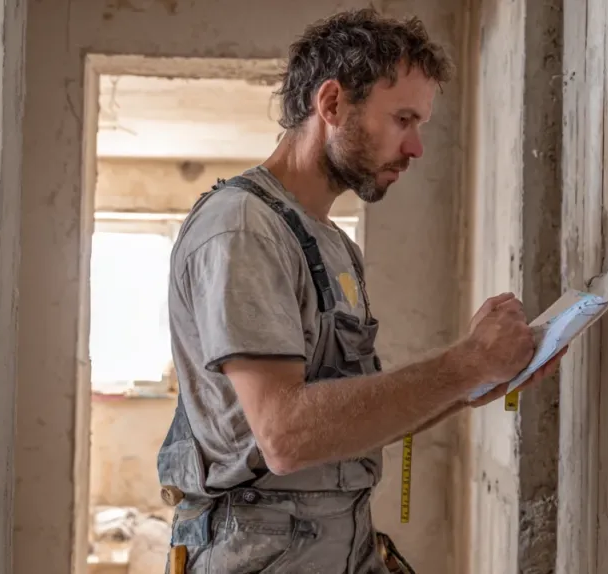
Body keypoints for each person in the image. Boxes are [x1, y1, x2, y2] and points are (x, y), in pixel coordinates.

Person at [156, 8, 567, 573]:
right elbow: (285, 435)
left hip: (337, 545)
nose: (416, 147)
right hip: (260, 554)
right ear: (331, 104)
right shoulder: (243, 228)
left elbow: (344, 420)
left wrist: (472, 381)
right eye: (402, 119)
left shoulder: (332, 245)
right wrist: (464, 363)